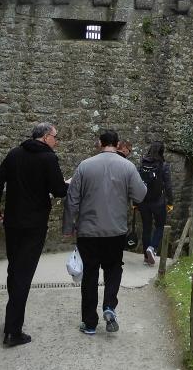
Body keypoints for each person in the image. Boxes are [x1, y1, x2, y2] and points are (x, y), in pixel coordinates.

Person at [0, 122, 68, 347]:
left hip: (12, 222)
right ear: (44, 137)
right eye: (55, 137)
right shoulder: (48, 158)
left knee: (14, 270)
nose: (57, 141)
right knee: (23, 274)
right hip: (34, 224)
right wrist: (69, 184)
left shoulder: (14, 154)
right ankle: (12, 331)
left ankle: (12, 317)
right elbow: (59, 190)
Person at [63, 130, 147, 334]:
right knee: (113, 269)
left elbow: (72, 199)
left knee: (89, 275)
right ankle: (109, 305)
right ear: (118, 145)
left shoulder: (85, 166)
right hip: (115, 231)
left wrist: (68, 227)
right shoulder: (127, 167)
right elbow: (140, 195)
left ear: (99, 143)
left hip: (88, 231)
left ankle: (90, 323)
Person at [137, 142, 174, 266]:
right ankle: (152, 248)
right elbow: (168, 186)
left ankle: (146, 258)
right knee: (159, 226)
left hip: (143, 201)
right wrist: (170, 202)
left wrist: (135, 202)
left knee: (146, 228)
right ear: (161, 152)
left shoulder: (142, 164)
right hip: (158, 202)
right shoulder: (163, 166)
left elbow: (136, 184)